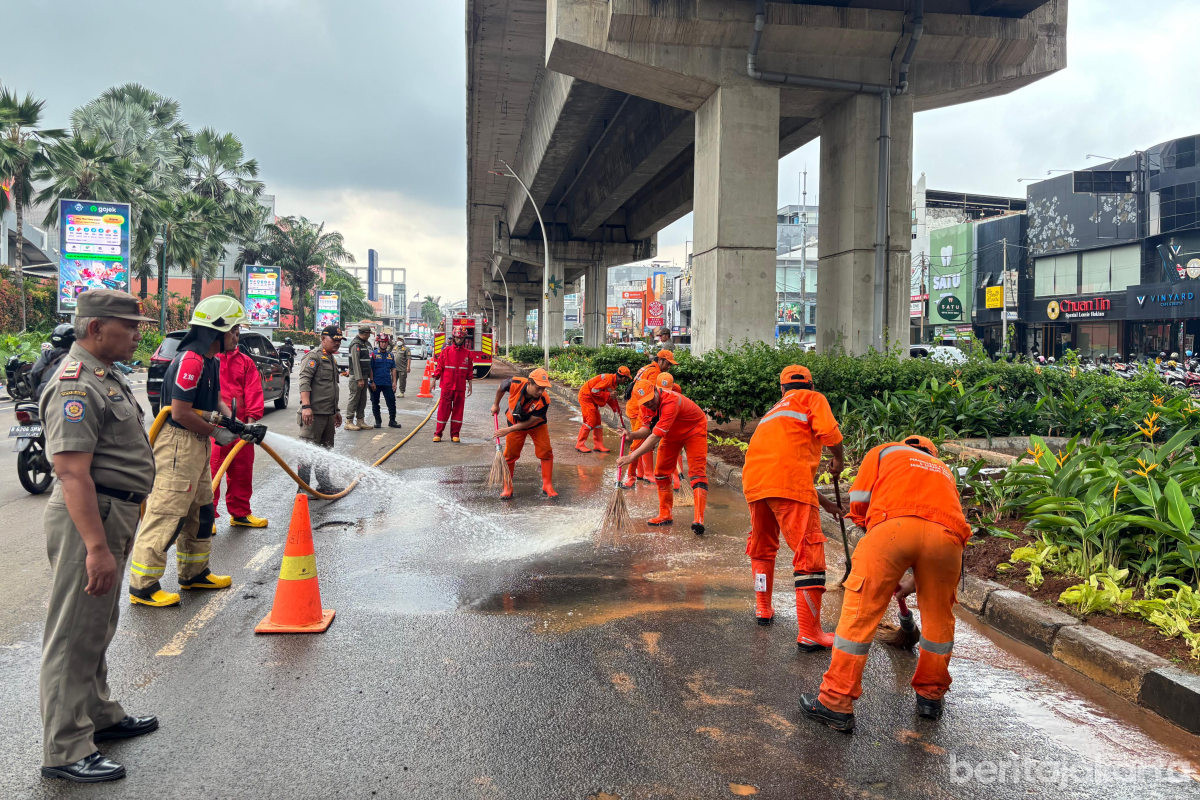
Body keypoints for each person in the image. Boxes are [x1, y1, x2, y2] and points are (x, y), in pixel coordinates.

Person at [38, 290, 158, 783]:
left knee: (96, 624)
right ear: (95, 328)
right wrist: (94, 547)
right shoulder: (76, 385)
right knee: (72, 632)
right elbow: (71, 473)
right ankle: (65, 749)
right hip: (90, 517)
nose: (136, 335)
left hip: (114, 512)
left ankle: (98, 714)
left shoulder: (106, 375)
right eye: (128, 327)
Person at [801, 435, 971, 733]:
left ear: (906, 445)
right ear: (930, 452)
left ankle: (835, 702)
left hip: (892, 529)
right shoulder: (942, 469)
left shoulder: (885, 452)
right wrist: (913, 579)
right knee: (939, 620)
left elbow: (859, 500)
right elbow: (932, 526)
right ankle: (930, 698)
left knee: (860, 616)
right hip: (947, 541)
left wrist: (874, 532)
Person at [129, 295, 258, 607]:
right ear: (216, 330)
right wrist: (217, 432)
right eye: (234, 330)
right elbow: (181, 412)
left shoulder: (211, 360)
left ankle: (194, 573)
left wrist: (237, 425)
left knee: (200, 510)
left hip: (196, 441)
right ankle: (143, 586)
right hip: (178, 443)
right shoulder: (191, 361)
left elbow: (216, 401)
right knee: (168, 512)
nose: (237, 335)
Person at [741, 365, 845, 650]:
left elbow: (782, 469)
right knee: (809, 554)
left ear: (782, 389)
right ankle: (810, 633)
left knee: (762, 547)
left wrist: (826, 505)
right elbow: (830, 434)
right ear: (811, 385)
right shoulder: (812, 398)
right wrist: (839, 459)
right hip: (786, 483)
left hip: (756, 484)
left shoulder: (773, 412)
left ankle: (763, 608)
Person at [618, 378, 709, 535]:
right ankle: (665, 514)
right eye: (645, 402)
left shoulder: (671, 401)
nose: (649, 404)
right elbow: (647, 430)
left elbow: (654, 437)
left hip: (694, 429)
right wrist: (631, 435)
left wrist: (632, 457)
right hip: (672, 432)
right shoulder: (645, 405)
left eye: (651, 399)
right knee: (661, 472)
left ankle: (698, 520)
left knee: (697, 472)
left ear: (655, 390)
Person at [210, 338, 268, 530]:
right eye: (231, 333)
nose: (236, 338)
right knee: (211, 472)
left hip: (241, 428)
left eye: (237, 333)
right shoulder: (210, 359)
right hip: (214, 426)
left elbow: (253, 392)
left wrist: (249, 425)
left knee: (242, 471)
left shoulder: (245, 362)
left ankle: (240, 513)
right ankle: (206, 517)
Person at [492, 368, 556, 498]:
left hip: (537, 426)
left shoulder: (544, 400)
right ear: (529, 383)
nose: (541, 392)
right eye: (538, 388)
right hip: (514, 422)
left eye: (543, 388)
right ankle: (507, 487)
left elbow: (530, 422)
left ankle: (547, 485)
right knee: (510, 455)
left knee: (546, 452)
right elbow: (501, 388)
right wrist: (496, 405)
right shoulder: (514, 383)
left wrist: (508, 430)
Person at [297, 326, 345, 493]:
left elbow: (332, 387)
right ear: (323, 339)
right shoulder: (313, 357)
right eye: (334, 340)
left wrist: (336, 411)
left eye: (339, 340)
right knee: (307, 453)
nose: (337, 343)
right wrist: (306, 406)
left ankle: (324, 485)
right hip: (313, 415)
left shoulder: (331, 358)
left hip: (328, 414)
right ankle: (303, 490)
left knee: (325, 452)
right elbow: (304, 381)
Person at [622, 349, 675, 486]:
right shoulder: (654, 373)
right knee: (640, 443)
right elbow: (651, 398)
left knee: (641, 441)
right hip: (640, 411)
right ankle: (639, 475)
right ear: (660, 360)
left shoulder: (647, 367)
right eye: (668, 364)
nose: (669, 367)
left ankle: (641, 473)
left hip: (634, 408)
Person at [575, 365, 632, 453]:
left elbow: (610, 398)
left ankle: (598, 445)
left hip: (592, 399)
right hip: (586, 397)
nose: (625, 381)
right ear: (623, 378)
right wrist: (609, 395)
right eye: (626, 379)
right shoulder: (608, 379)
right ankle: (580, 444)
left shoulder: (613, 383)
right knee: (590, 420)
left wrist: (616, 409)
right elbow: (594, 391)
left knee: (598, 422)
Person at [433, 325, 474, 442]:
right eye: (457, 338)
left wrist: (470, 385)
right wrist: (434, 379)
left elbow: (469, 371)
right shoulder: (446, 351)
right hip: (447, 386)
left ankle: (455, 434)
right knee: (443, 410)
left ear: (464, 339)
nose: (459, 340)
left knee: (458, 411)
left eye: (461, 338)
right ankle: (438, 434)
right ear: (453, 337)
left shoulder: (467, 354)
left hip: (460, 387)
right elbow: (439, 367)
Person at [31, 322, 76, 400]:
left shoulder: (47, 355)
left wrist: (36, 394)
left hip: (44, 394)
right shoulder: (76, 357)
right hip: (66, 397)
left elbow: (34, 372)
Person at [368, 335, 402, 429]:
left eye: (385, 342)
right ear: (379, 343)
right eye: (381, 342)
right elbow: (370, 368)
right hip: (376, 383)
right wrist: (372, 381)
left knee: (391, 402)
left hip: (387, 383)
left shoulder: (390, 355)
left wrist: (394, 382)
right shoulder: (373, 354)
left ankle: (392, 421)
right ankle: (378, 422)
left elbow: (393, 369)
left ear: (387, 343)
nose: (383, 344)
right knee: (375, 402)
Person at [344, 325, 373, 430]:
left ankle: (360, 421)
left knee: (362, 399)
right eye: (369, 333)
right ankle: (349, 421)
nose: (369, 335)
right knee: (354, 398)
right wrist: (359, 379)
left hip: (364, 376)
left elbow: (368, 361)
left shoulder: (365, 343)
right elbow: (356, 363)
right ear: (365, 333)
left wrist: (369, 378)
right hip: (357, 377)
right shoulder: (355, 344)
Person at [392, 332, 411, 397]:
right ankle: (392, 391)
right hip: (394, 368)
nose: (399, 341)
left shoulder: (406, 349)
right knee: (393, 380)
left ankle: (401, 392)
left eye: (400, 340)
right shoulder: (395, 348)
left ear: (403, 341)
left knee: (402, 381)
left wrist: (408, 367)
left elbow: (408, 358)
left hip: (402, 368)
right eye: (398, 339)